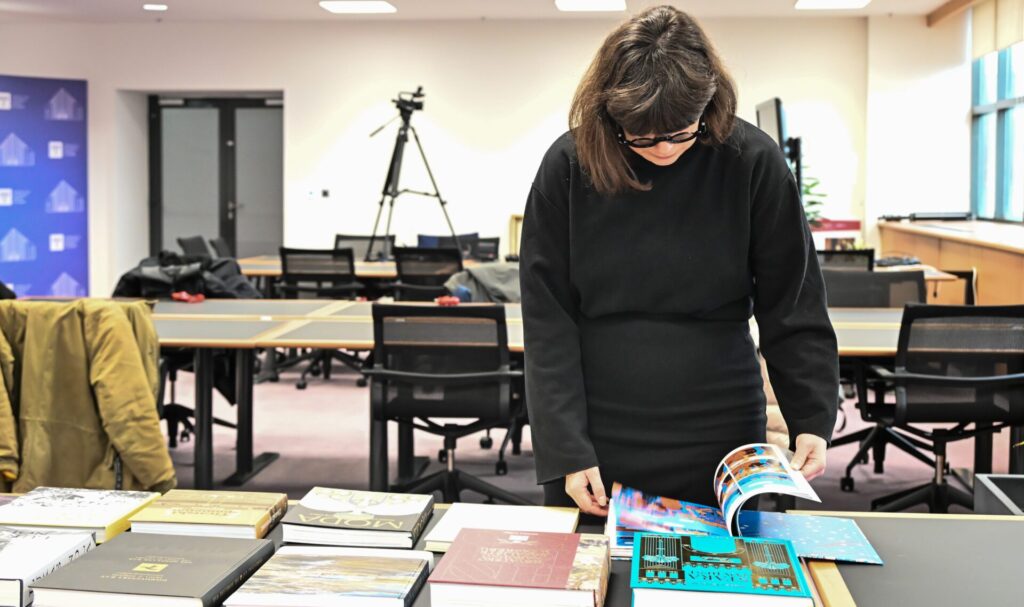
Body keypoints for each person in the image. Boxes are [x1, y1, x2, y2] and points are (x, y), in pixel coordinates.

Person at [520, 5, 839, 516]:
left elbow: (793, 303)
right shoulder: (569, 164)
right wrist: (564, 448)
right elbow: (546, 319)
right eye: (643, 136)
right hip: (598, 422)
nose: (665, 149)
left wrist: (812, 416)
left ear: (709, 104)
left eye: (682, 132)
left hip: (719, 422)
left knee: (724, 581)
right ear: (609, 112)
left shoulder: (752, 161)